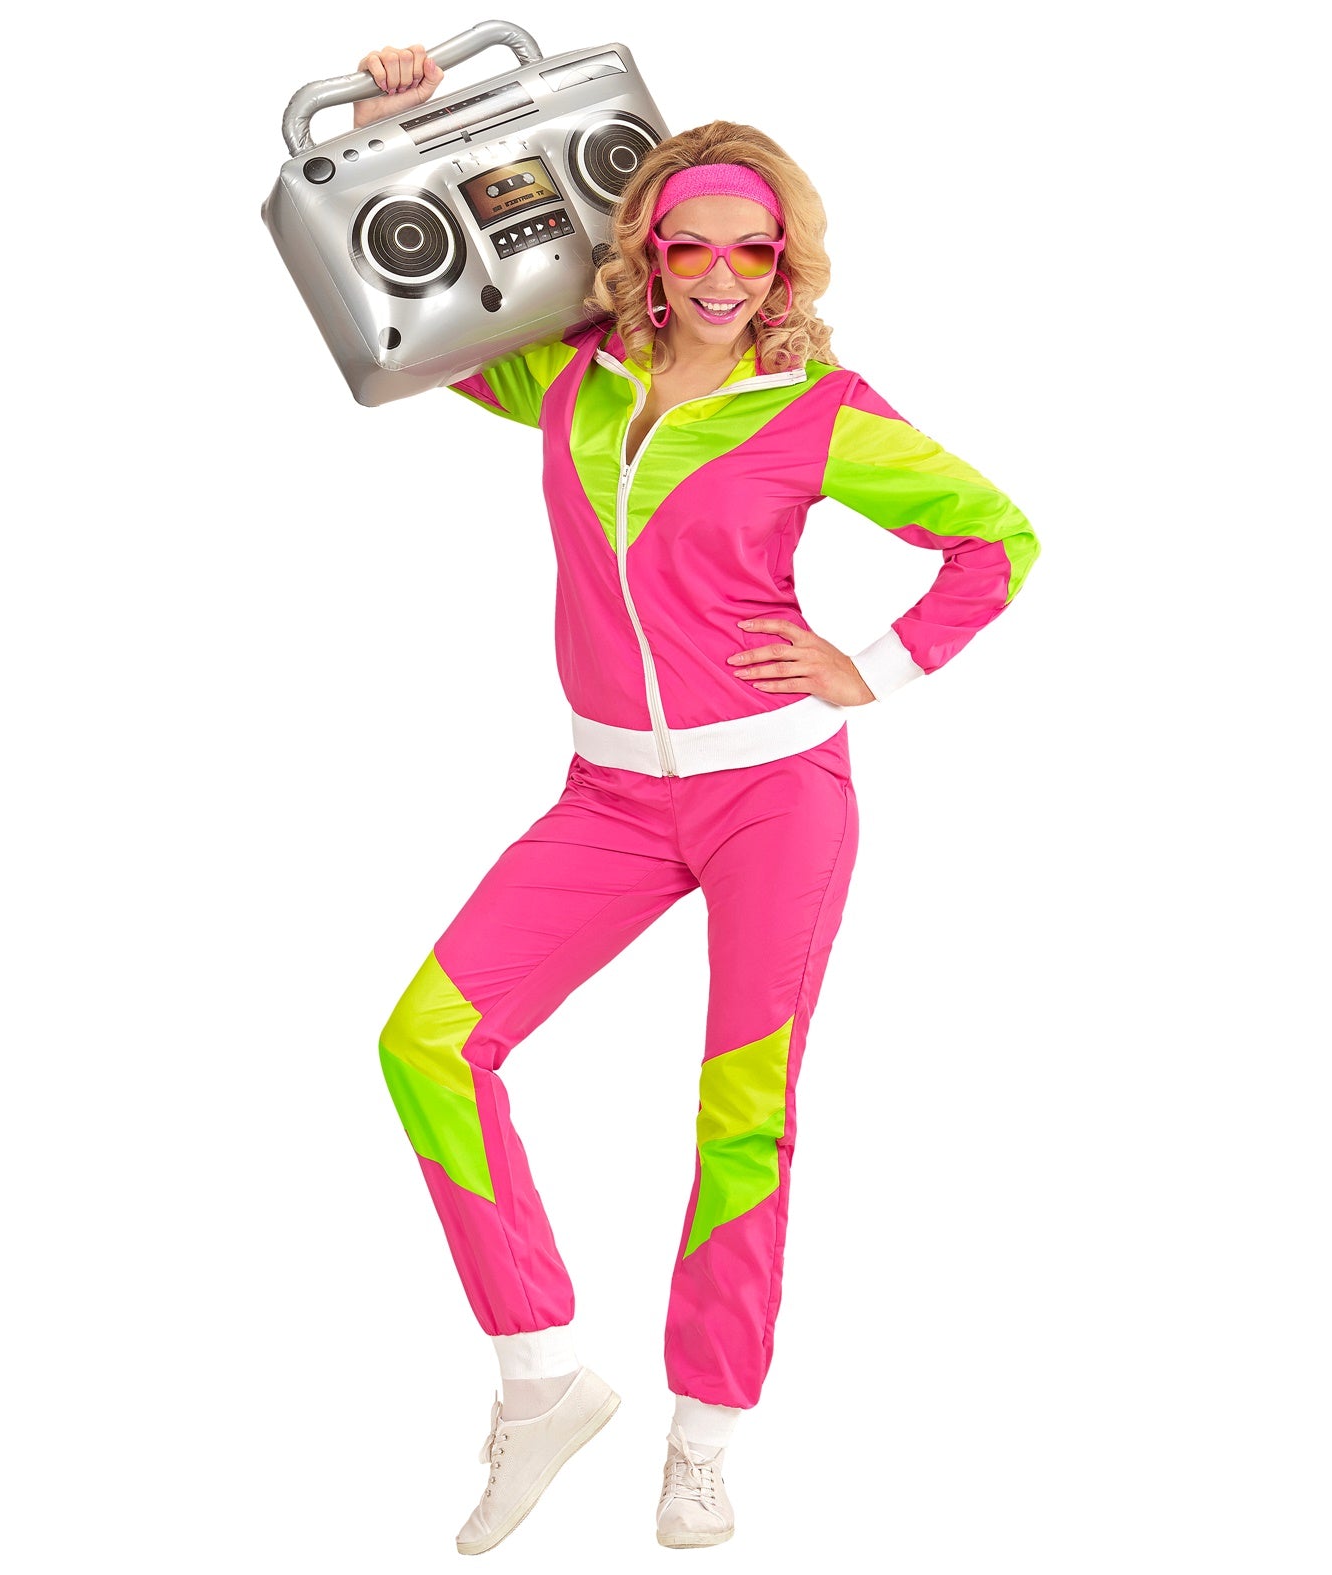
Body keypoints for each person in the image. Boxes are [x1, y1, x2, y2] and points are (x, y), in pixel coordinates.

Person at [356, 43, 1041, 1555]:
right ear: (646, 250)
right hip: (606, 798)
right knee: (427, 1044)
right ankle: (542, 1379)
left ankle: (705, 1442)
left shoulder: (818, 407)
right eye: (692, 248)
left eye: (754, 251)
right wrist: (396, 128)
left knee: (743, 1115)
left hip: (774, 798)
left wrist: (873, 667)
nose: (724, 277)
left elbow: (997, 538)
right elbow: (406, 302)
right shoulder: (563, 379)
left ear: (785, 260)